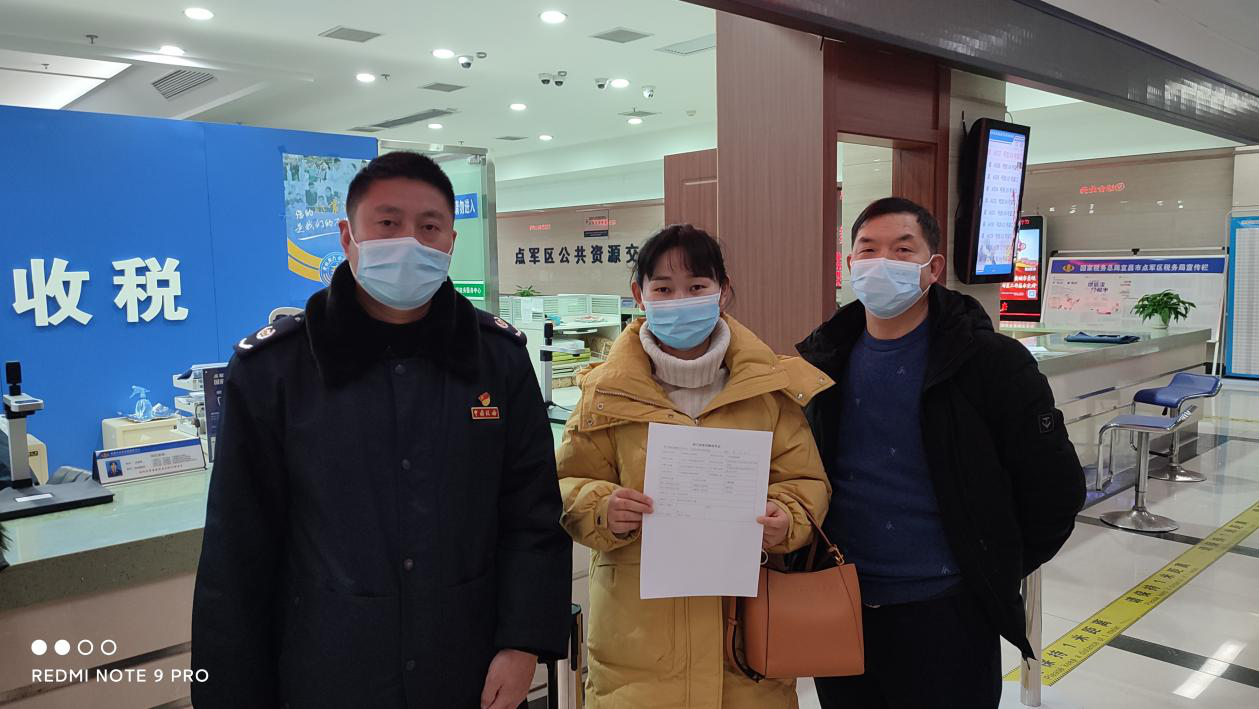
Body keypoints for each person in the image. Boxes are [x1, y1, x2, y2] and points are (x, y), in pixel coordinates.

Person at [191, 151, 572, 709]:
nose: (410, 242)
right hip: (327, 671)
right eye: (388, 223)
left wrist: (523, 644)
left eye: (429, 227)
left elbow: (532, 514)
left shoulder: (497, 360)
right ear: (348, 237)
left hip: (467, 667)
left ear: (450, 242)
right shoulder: (276, 369)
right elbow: (237, 551)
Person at [797, 197, 1086, 709]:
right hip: (841, 602)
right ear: (850, 265)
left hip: (948, 610)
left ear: (932, 268)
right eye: (868, 250)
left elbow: (1055, 491)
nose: (881, 262)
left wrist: (988, 565)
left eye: (901, 250)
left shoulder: (991, 364)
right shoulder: (822, 361)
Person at [557, 225, 833, 708]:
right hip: (637, 644)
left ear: (722, 291)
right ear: (639, 295)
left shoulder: (768, 390)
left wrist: (786, 517)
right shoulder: (604, 393)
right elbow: (566, 482)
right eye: (664, 289)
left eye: (697, 286)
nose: (680, 300)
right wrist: (602, 508)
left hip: (745, 646)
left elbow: (804, 480)